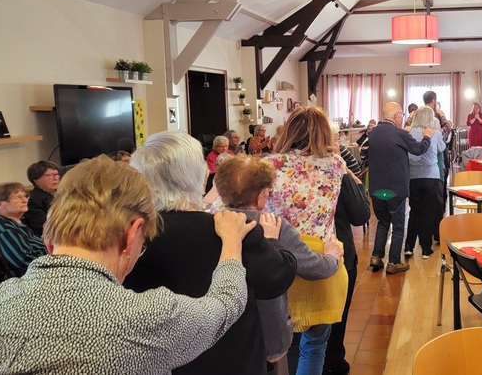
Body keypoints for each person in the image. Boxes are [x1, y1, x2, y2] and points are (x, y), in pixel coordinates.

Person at [0, 156, 257, 374]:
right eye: (142, 245)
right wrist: (231, 241)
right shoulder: (151, 317)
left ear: (50, 239)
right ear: (132, 233)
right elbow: (226, 304)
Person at [125, 131, 297, 375]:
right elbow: (277, 277)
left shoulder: (129, 237)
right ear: (199, 175)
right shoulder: (231, 229)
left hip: (157, 362)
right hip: (231, 358)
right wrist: (272, 241)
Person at [214, 156, 342, 375]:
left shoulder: (211, 223)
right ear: (262, 195)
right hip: (266, 333)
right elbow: (315, 268)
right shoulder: (274, 227)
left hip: (220, 331)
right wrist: (332, 256)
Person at [265, 106, 349, 374]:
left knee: (286, 345)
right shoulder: (335, 166)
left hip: (281, 262)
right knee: (315, 346)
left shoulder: (268, 166)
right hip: (323, 262)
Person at [368, 102, 433, 275]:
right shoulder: (398, 134)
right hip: (394, 188)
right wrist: (426, 136)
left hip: (376, 188)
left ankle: (376, 256)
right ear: (397, 116)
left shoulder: (372, 133)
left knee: (382, 222)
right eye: (401, 115)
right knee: (398, 226)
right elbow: (419, 150)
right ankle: (394, 262)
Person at [323, 167, 370, 375]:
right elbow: (360, 216)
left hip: (294, 255)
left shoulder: (277, 167)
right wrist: (357, 183)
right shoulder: (336, 169)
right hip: (337, 253)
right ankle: (333, 361)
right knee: (336, 315)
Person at [0, 182, 47, 281]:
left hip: (41, 267)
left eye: (25, 196)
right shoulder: (5, 230)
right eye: (17, 197)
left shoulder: (14, 222)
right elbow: (27, 263)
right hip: (26, 280)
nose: (25, 200)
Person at [405, 106, 446, 260]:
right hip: (431, 176)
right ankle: (425, 248)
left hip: (413, 176)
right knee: (428, 212)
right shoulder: (434, 133)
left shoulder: (408, 133)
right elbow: (442, 148)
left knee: (414, 211)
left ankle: (409, 246)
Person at [21, 160, 60, 236]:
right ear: (36, 179)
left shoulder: (59, 193)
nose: (56, 178)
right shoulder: (34, 200)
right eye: (51, 175)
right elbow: (41, 228)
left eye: (56, 174)